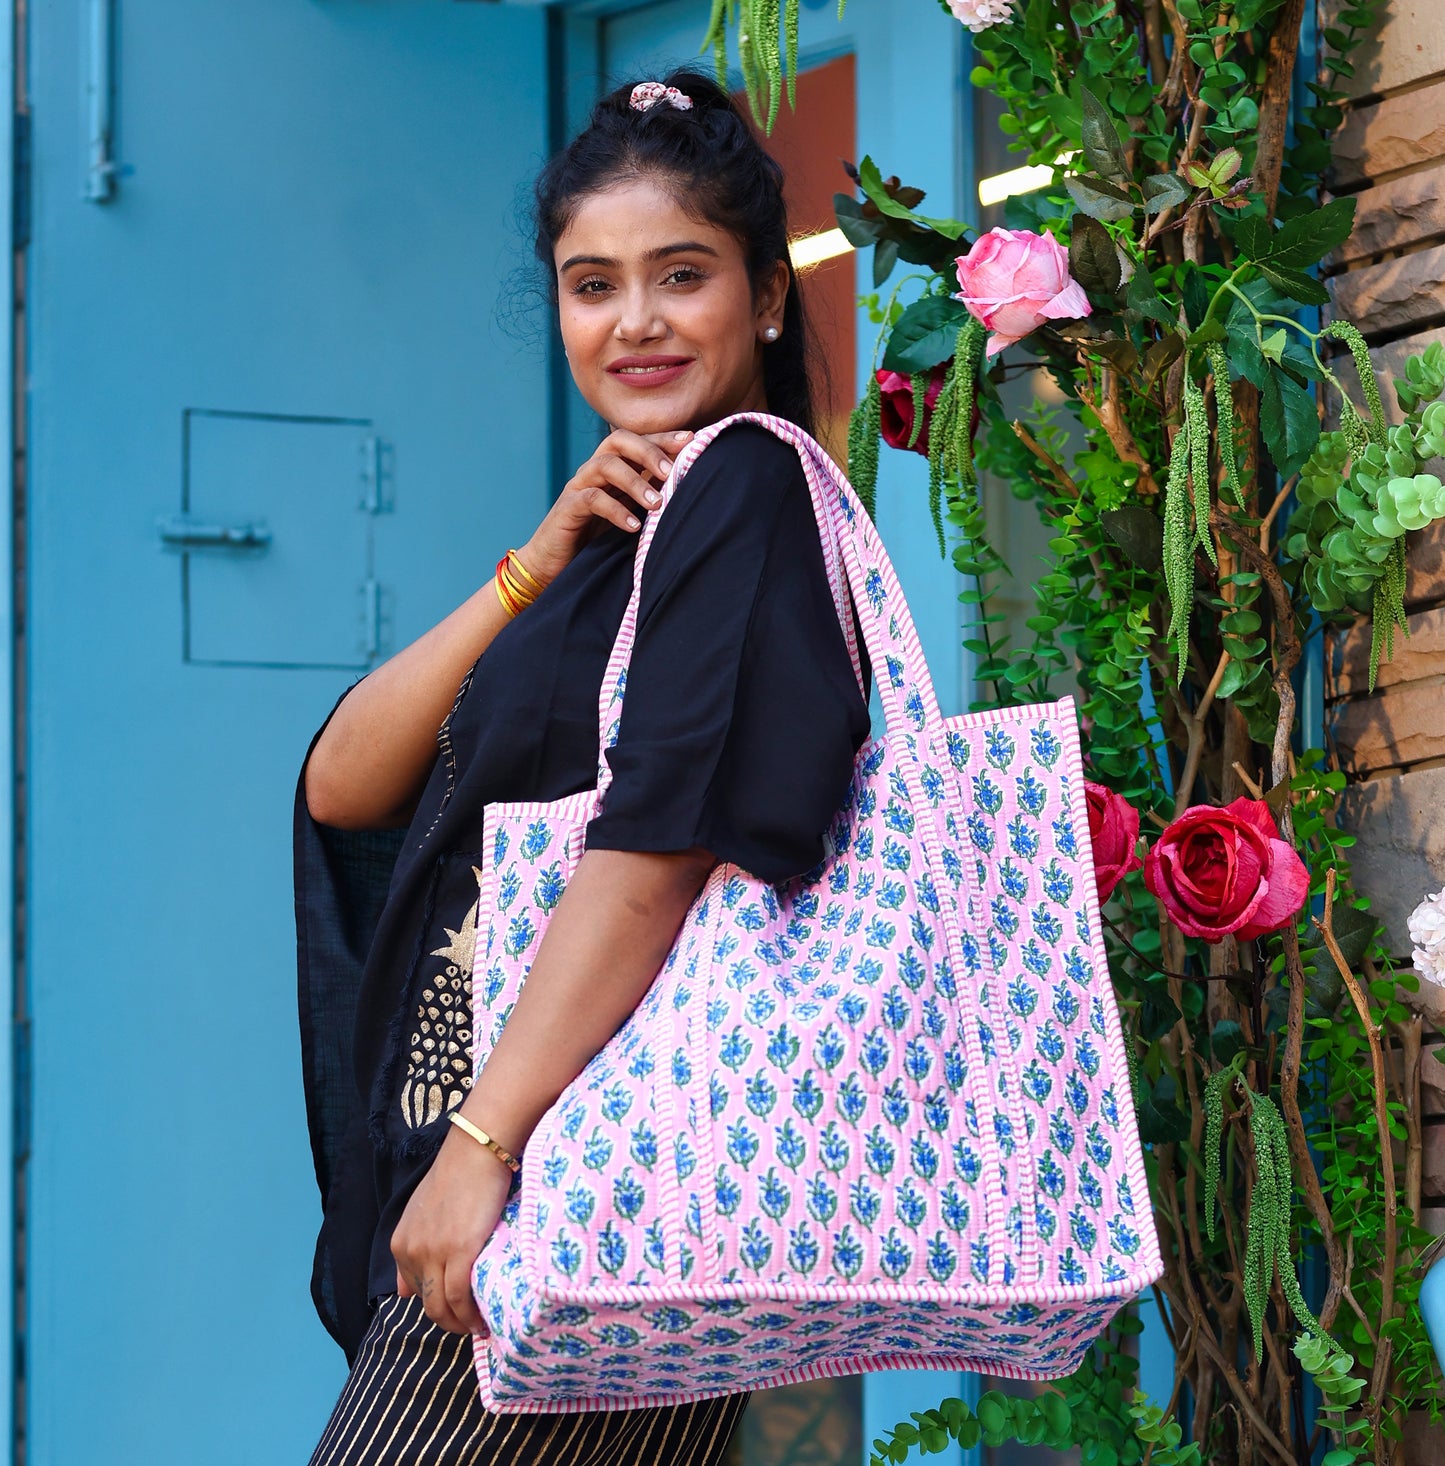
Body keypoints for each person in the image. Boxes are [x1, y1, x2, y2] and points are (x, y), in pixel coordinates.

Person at [295, 70, 870, 1466]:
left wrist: (481, 1149)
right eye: (590, 283)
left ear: (767, 295)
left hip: (572, 1182)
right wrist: (533, 565)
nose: (635, 321)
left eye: (680, 275)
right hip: (548, 1187)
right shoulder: (626, 531)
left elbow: (656, 847)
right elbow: (344, 784)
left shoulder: (742, 491)